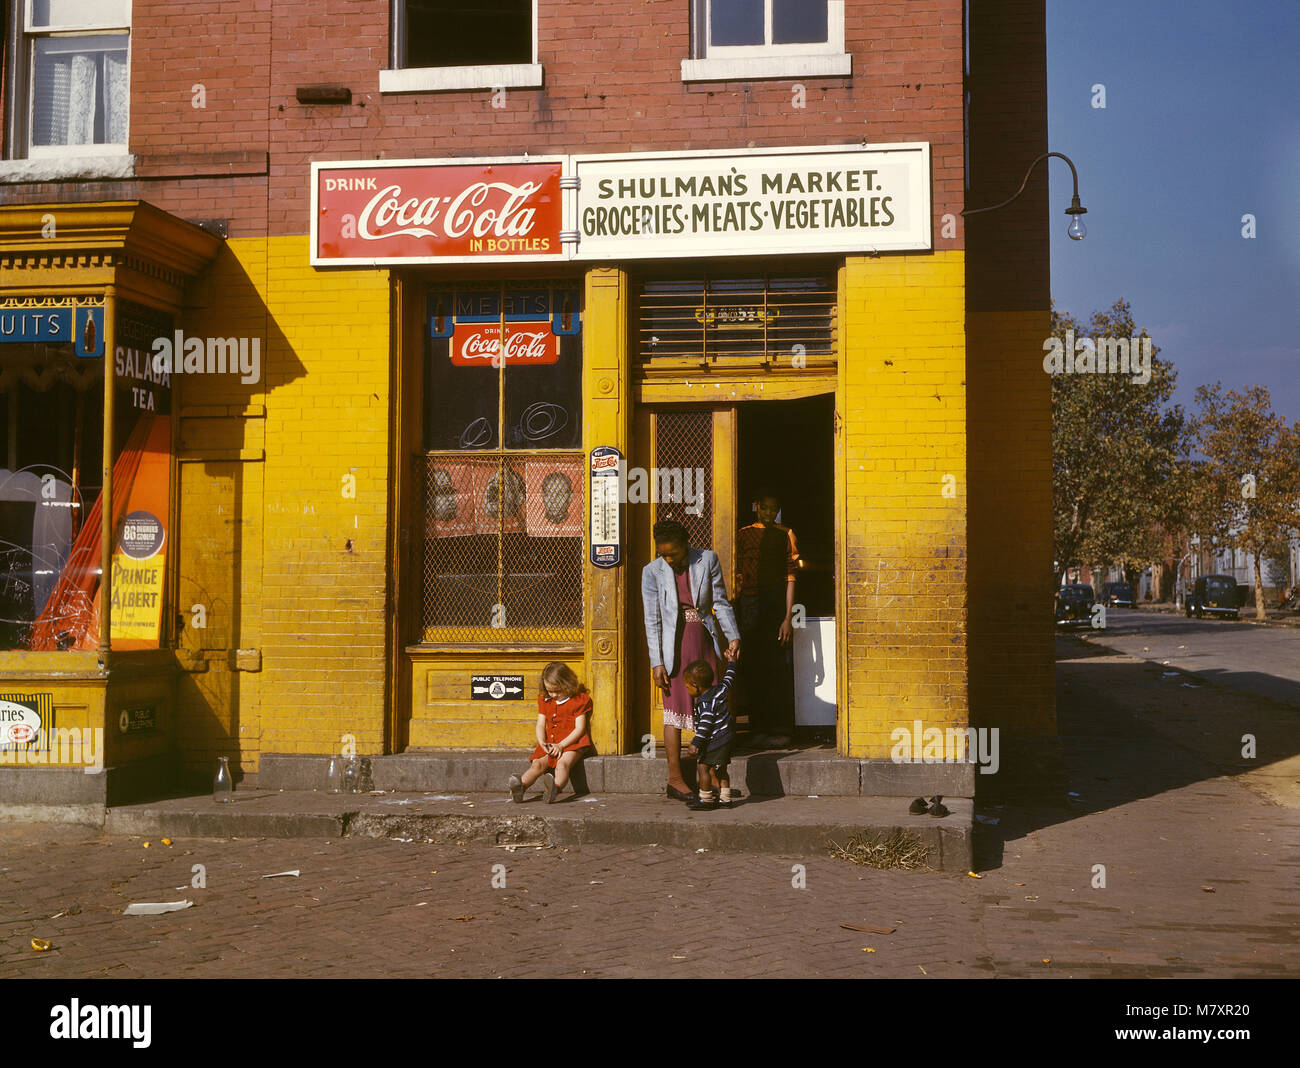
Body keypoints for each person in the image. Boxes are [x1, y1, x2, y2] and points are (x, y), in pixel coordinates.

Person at [641, 519, 740, 801]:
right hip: (673, 650)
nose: (669, 559)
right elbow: (652, 620)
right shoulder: (651, 572)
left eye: (673, 552)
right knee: (674, 710)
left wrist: (733, 636)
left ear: (686, 544)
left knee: (710, 708)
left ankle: (713, 781)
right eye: (663, 554)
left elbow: (719, 602)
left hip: (704, 643)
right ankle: (675, 779)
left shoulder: (707, 559)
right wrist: (656, 662)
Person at [735, 489, 799, 748]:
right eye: (765, 508)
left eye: (774, 509)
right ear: (756, 506)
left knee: (776, 666)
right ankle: (756, 727)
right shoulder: (742, 534)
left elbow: (791, 577)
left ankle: (780, 727)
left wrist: (787, 617)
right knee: (752, 667)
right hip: (748, 606)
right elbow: (736, 571)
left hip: (775, 606)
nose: (770, 513)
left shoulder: (786, 534)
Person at [508, 662, 593, 804]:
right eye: (549, 691)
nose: (553, 695)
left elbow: (580, 729)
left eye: (557, 691)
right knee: (537, 765)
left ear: (568, 684)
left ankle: (555, 788)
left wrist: (561, 745)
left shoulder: (578, 700)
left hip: (572, 742)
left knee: (562, 765)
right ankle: (520, 786)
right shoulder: (545, 699)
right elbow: (541, 723)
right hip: (551, 742)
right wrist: (541, 741)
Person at [685, 658, 739, 811]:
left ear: (696, 686)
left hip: (714, 741)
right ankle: (725, 799)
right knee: (721, 769)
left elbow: (705, 727)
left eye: (687, 687)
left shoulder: (705, 703)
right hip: (726, 739)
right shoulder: (720, 690)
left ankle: (706, 799)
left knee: (703, 768)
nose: (687, 690)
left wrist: (695, 743)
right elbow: (729, 678)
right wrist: (732, 662)